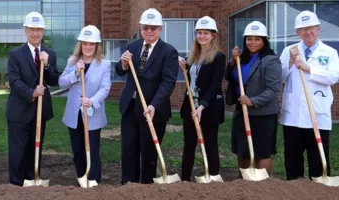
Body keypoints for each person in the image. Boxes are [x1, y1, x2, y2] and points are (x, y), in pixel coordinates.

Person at [115, 8, 179, 184]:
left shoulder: (169, 52)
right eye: (145, 27)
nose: (149, 31)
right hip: (130, 106)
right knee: (129, 149)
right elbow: (120, 71)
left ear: (160, 29)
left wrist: (154, 105)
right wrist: (123, 64)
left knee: (149, 151)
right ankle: (129, 186)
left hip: (153, 110)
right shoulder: (132, 47)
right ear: (141, 28)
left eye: (153, 28)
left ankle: (146, 188)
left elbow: (168, 83)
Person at [279, 11, 339, 180]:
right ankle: (294, 190)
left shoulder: (329, 52)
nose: (308, 32)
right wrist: (291, 62)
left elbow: (334, 76)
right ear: (298, 32)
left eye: (311, 28)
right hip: (293, 116)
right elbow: (280, 77)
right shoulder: (288, 51)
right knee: (292, 160)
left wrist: (309, 68)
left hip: (318, 115)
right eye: (303, 29)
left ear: (318, 29)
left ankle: (320, 191)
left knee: (318, 159)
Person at [5, 11, 59, 186]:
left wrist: (48, 64)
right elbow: (14, 80)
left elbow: (53, 80)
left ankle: (32, 180)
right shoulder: (15, 54)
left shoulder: (49, 53)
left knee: (35, 147)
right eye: (31, 29)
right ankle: (16, 184)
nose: (35, 33)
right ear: (25, 30)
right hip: (19, 110)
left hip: (40, 111)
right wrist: (31, 92)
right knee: (17, 150)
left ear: (43, 31)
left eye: (39, 30)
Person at [225, 21, 282, 176]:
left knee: (262, 151)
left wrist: (252, 101)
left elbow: (273, 89)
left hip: (262, 114)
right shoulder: (242, 58)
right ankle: (245, 185)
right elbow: (230, 76)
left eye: (257, 39)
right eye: (249, 38)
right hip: (241, 112)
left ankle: (261, 187)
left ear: (264, 40)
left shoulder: (271, 60)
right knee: (242, 150)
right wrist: (232, 61)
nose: (252, 42)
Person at [58, 25, 111, 185]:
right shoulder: (72, 62)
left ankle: (94, 182)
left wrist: (92, 101)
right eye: (85, 43)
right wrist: (75, 73)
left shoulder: (105, 64)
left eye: (92, 44)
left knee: (92, 151)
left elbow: (105, 88)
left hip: (92, 114)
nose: (88, 47)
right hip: (74, 116)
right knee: (78, 151)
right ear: (80, 45)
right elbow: (61, 83)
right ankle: (81, 180)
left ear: (97, 46)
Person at [177, 16, 225, 181]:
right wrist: (183, 64)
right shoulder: (193, 56)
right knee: (189, 145)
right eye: (199, 33)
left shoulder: (218, 57)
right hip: (191, 105)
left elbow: (215, 85)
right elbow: (191, 80)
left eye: (206, 33)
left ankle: (212, 177)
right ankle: (185, 180)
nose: (202, 36)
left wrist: (202, 106)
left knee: (210, 144)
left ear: (213, 35)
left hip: (209, 107)